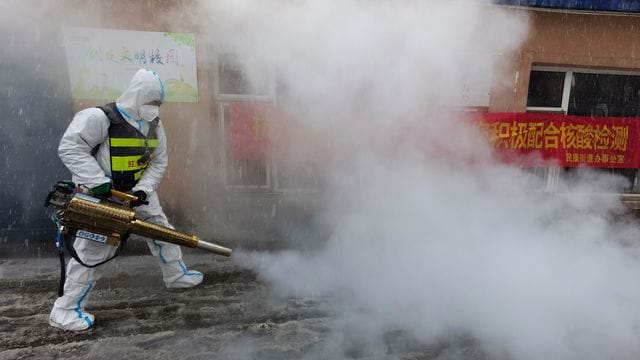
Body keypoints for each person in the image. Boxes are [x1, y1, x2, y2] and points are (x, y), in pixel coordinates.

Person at [49, 69, 203, 331]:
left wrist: (144, 189)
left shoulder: (154, 124)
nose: (154, 108)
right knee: (93, 253)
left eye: (158, 103)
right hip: (103, 197)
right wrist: (98, 182)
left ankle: (176, 275)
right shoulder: (100, 118)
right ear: (136, 95)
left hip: (137, 194)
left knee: (162, 231)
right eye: (150, 101)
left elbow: (158, 161)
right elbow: (70, 147)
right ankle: (65, 310)